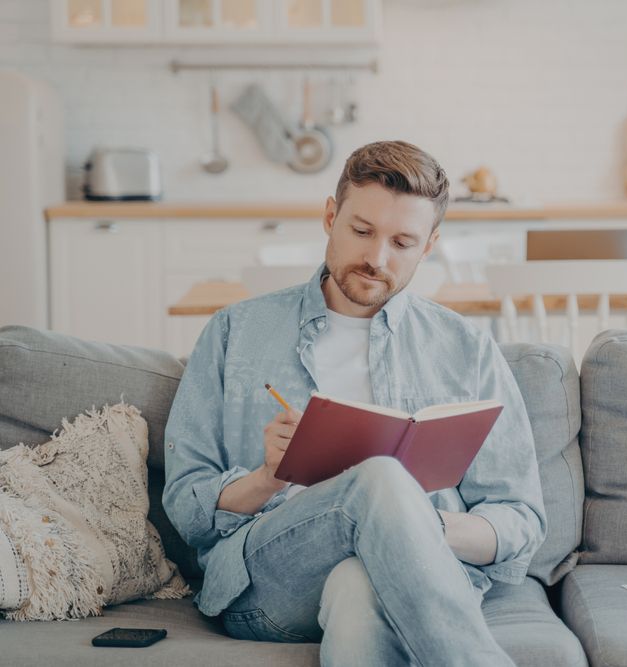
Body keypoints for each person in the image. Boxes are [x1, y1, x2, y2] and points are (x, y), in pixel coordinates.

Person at [163, 140, 546, 666]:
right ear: (330, 216)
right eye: (361, 231)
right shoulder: (236, 331)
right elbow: (185, 502)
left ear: (429, 244)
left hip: (412, 577)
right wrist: (267, 478)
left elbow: (520, 519)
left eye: (402, 242)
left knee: (359, 582)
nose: (376, 258)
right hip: (271, 583)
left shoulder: (465, 347)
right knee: (380, 477)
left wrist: (408, 525)